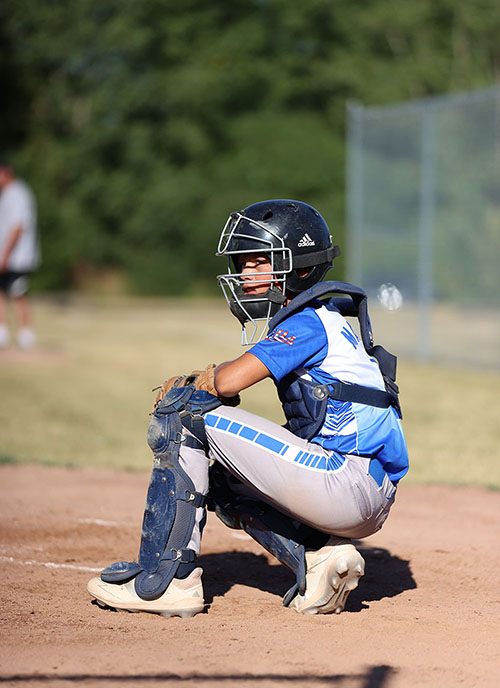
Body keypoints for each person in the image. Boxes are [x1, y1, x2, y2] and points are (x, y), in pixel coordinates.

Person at [87, 199, 409, 618]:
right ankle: (316, 561)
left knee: (183, 412)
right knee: (222, 480)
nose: (245, 275)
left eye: (259, 263)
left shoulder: (307, 321)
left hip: (343, 483)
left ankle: (165, 582)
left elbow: (227, 383)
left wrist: (196, 382)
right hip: (365, 490)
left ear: (300, 267)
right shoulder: (329, 318)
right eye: (243, 264)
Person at [0, 157, 40, 349]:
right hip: (8, 254)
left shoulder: (17, 194)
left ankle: (25, 333)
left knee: (17, 292)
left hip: (17, 255)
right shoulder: (7, 194)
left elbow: (17, 227)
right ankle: (2, 331)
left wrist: (5, 255)